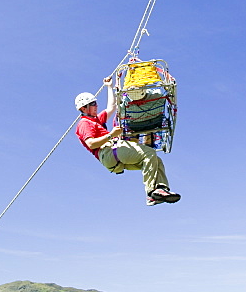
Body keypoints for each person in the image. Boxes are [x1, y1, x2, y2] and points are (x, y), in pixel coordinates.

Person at [75, 78, 181, 206]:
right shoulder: (84, 123)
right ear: (84, 108)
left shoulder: (96, 120)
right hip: (109, 151)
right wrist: (111, 135)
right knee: (148, 153)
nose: (96, 106)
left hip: (113, 158)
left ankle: (160, 190)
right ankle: (151, 191)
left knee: (155, 161)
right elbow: (91, 143)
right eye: (92, 104)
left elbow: (111, 107)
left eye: (95, 103)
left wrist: (109, 86)